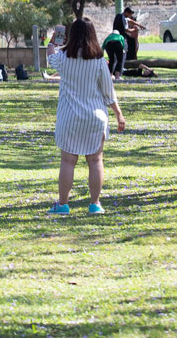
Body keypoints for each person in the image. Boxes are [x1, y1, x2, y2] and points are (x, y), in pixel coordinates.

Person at [45, 19, 125, 216]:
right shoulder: (99, 61)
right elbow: (108, 92)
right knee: (96, 161)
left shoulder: (63, 57)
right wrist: (119, 115)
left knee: (67, 162)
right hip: (95, 117)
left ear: (71, 35)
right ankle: (95, 204)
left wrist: (51, 43)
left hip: (69, 117)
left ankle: (63, 205)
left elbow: (50, 59)